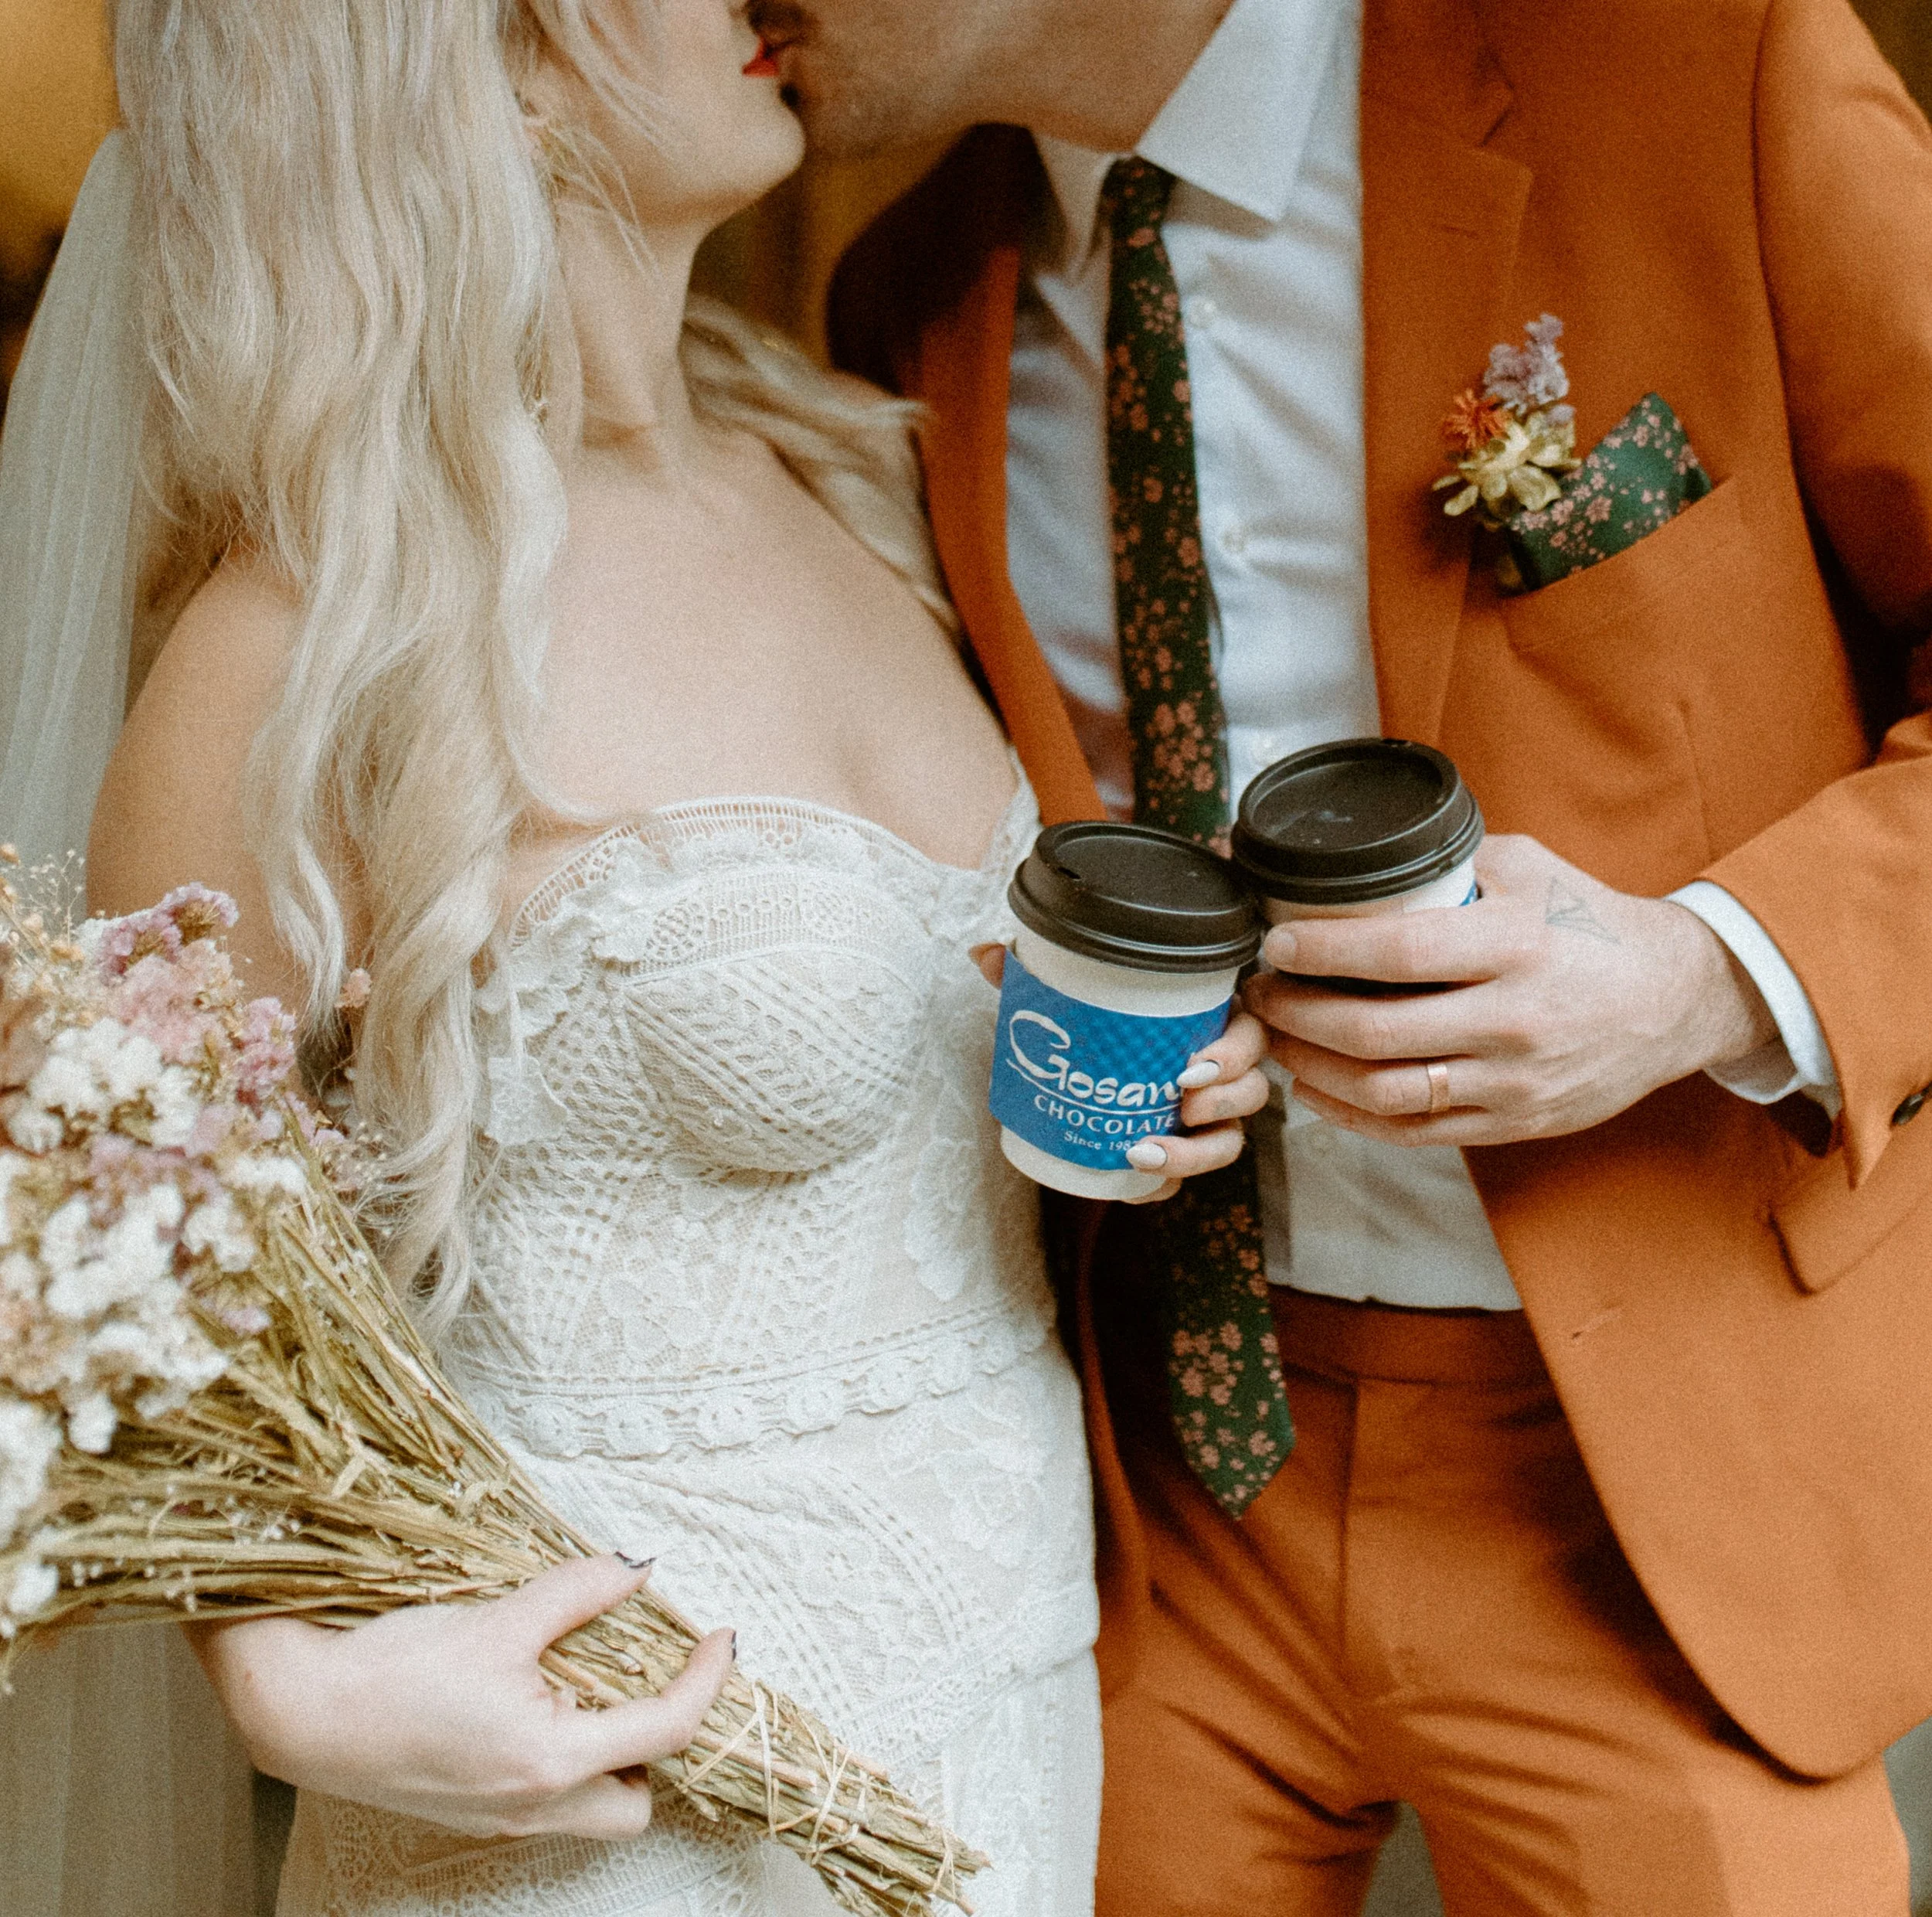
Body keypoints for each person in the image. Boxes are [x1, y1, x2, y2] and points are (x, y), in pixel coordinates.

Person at [5, 1, 1277, 1912]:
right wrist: (282, 1685)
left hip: (1000, 1715)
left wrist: (1142, 1085)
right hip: (611, 1804)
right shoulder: (307, 642)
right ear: (484, 64)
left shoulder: (855, 478)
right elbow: (98, 1243)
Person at [781, 0, 1932, 1908]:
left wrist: (1703, 975)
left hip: (1650, 1497)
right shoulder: (905, 301)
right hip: (1161, 1499)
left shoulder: (1694, 63)